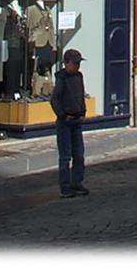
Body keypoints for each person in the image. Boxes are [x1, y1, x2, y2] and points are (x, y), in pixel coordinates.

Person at [50, 48, 89, 198]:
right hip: (65, 122)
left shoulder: (79, 77)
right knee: (65, 156)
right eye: (75, 63)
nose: (77, 67)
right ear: (66, 63)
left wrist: (83, 111)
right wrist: (62, 115)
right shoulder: (62, 78)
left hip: (77, 120)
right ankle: (65, 186)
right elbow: (55, 99)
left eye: (78, 64)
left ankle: (77, 182)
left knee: (79, 154)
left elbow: (81, 94)